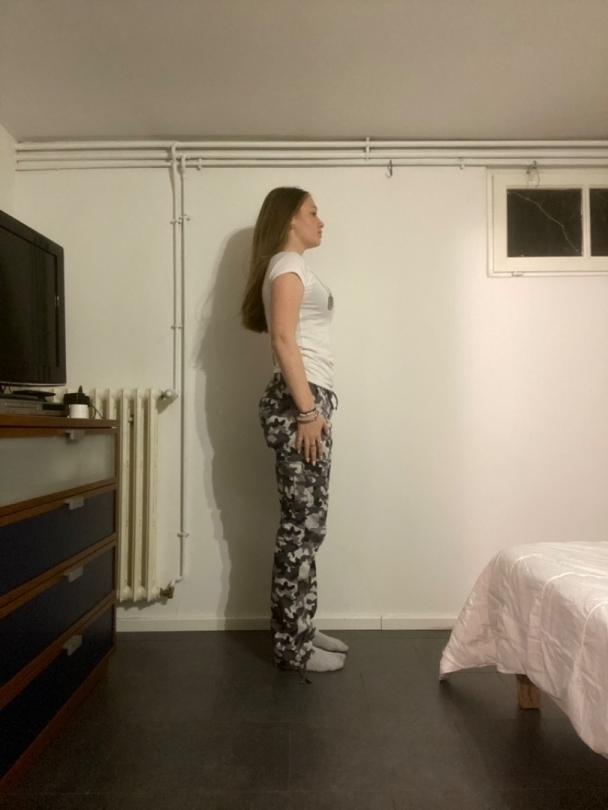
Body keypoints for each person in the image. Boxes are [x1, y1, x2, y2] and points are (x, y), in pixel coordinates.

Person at [240, 186, 348, 680]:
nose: (320, 221)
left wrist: (313, 407)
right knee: (300, 527)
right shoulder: (287, 264)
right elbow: (284, 340)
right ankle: (292, 647)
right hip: (298, 403)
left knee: (309, 527)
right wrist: (307, 412)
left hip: (307, 400)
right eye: (312, 212)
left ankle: (302, 627)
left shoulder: (293, 265)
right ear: (289, 219)